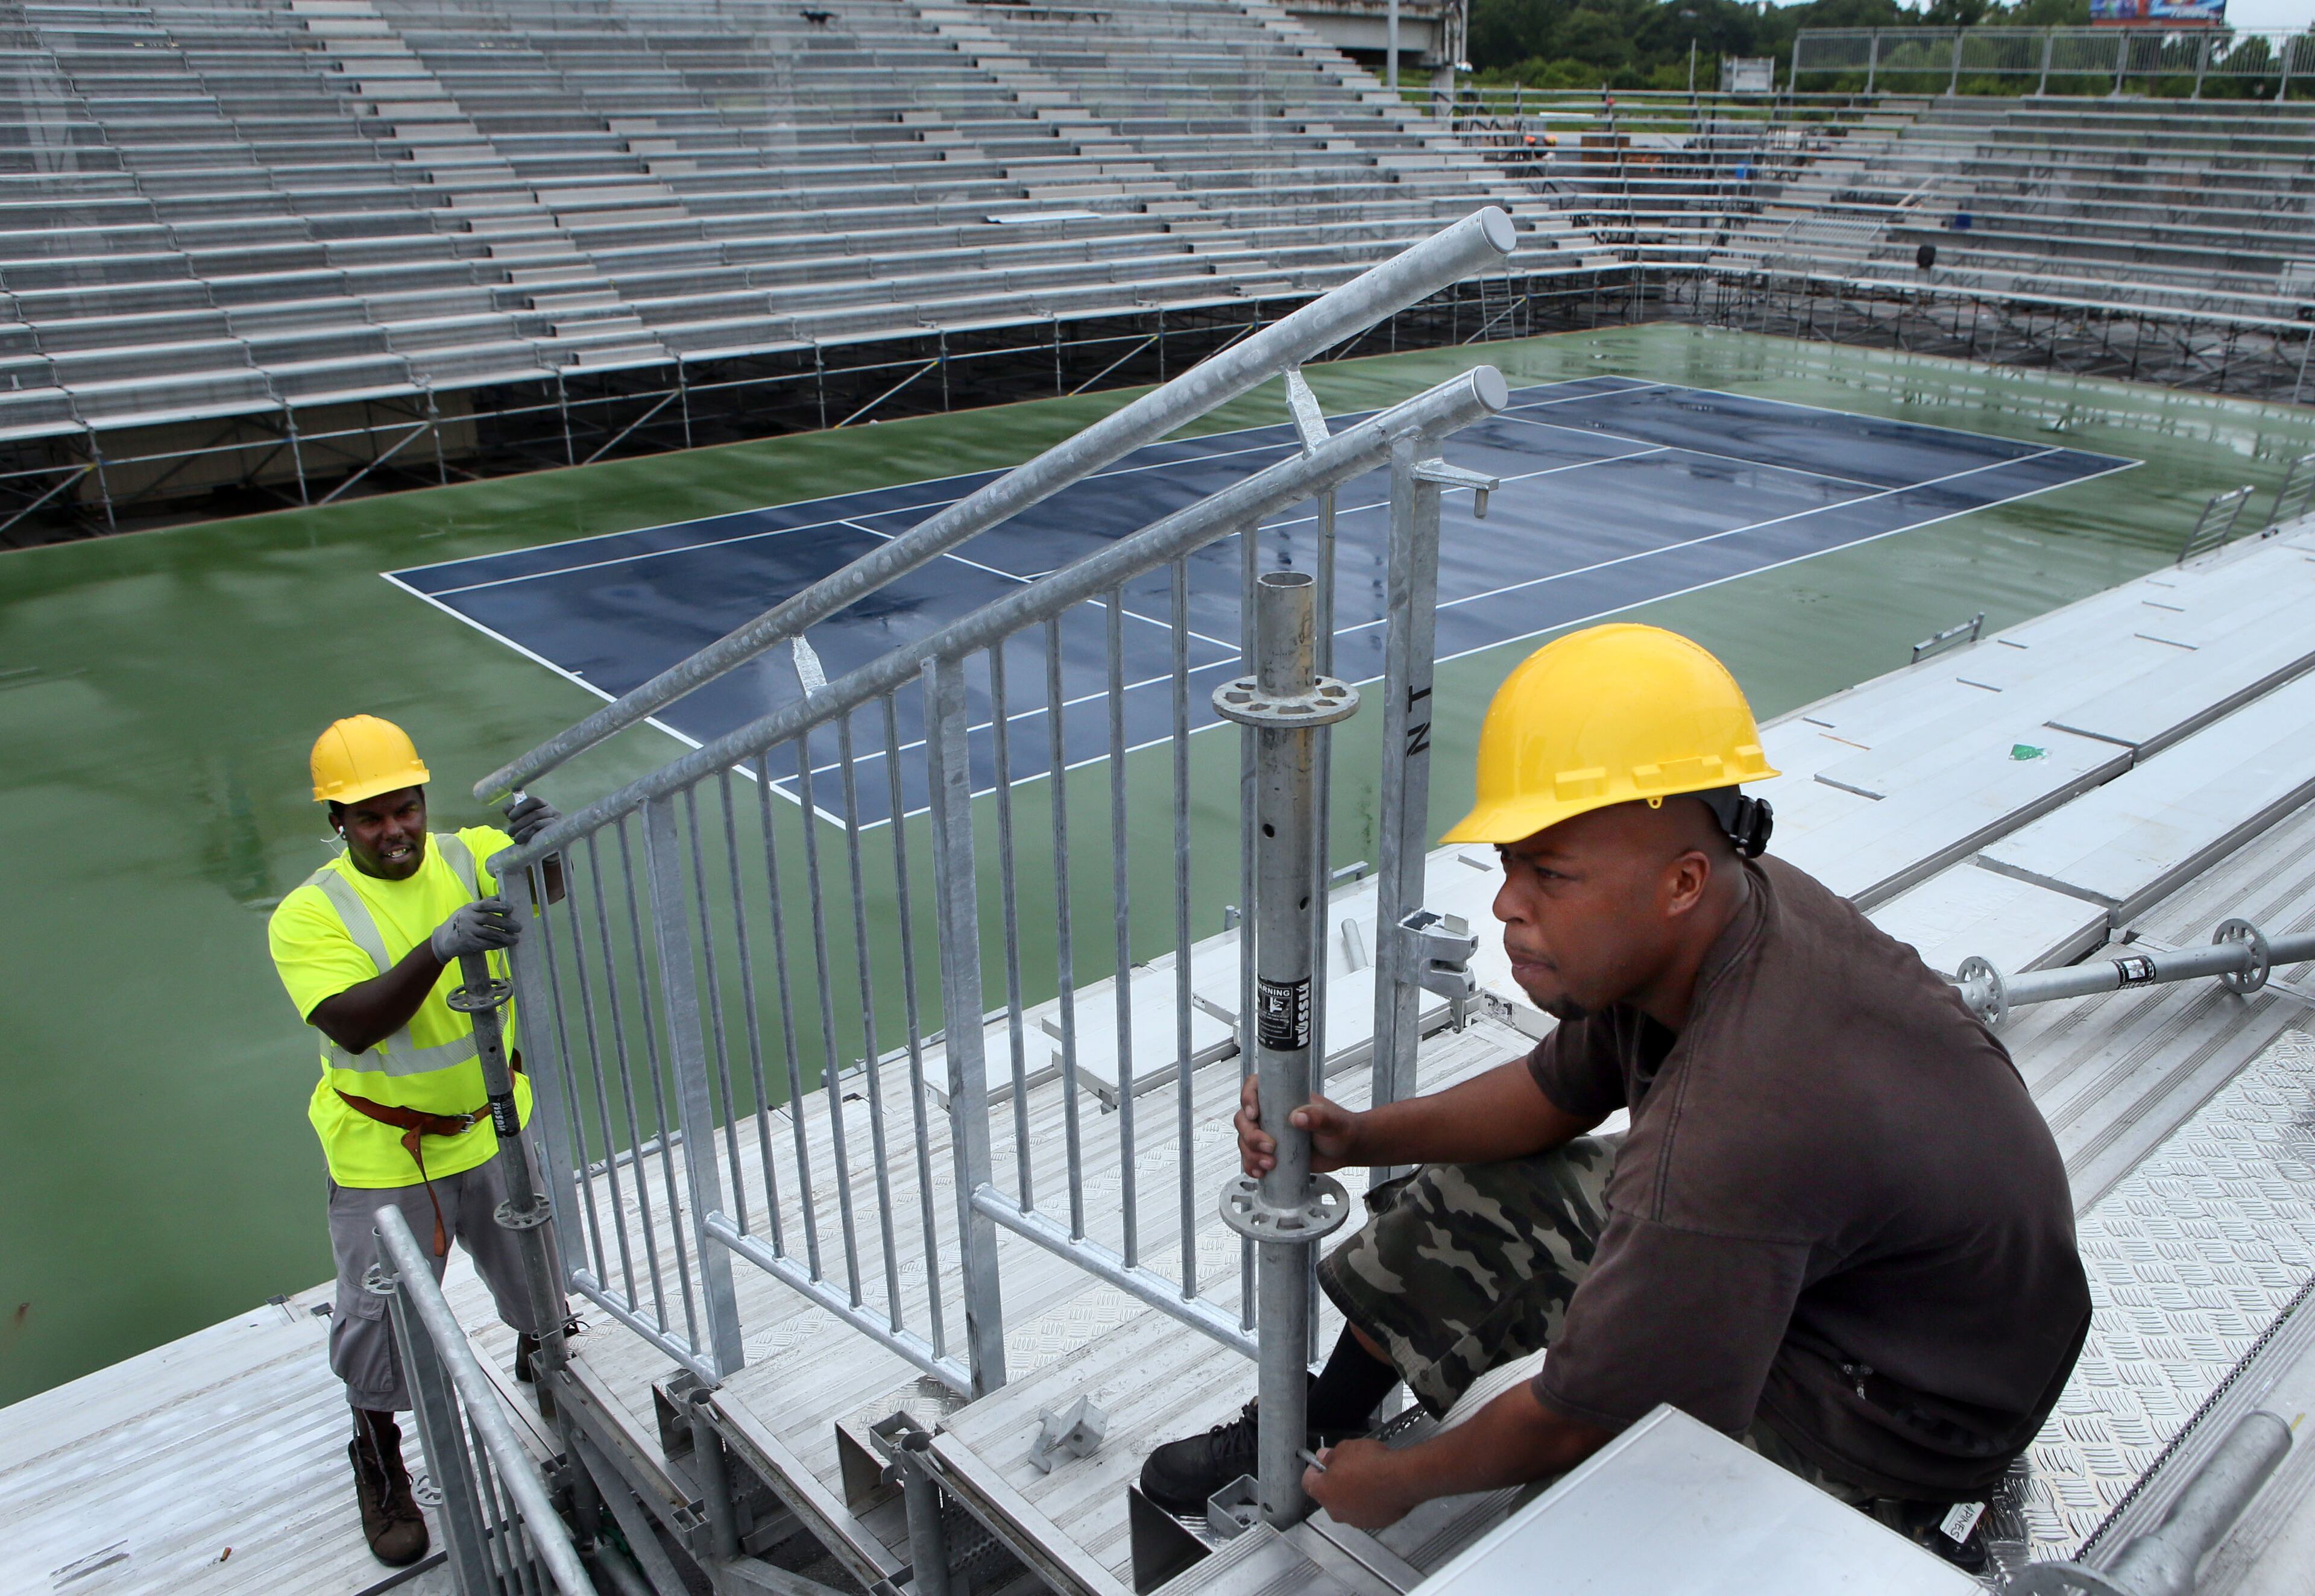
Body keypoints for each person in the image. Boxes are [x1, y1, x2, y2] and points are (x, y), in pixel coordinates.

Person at [1139, 624, 2090, 1568]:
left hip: (1903, 1404)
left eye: (1551, 875)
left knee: (1590, 1523)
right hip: (1834, 1274)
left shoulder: (1735, 1126)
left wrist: (1403, 1481)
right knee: (1482, 1196)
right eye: (1512, 861)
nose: (1509, 903)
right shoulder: (1717, 909)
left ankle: (1894, 1526)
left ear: (1680, 882)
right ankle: (1321, 1417)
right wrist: (1358, 1135)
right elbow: (1551, 1093)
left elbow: (1580, 1417)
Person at [266, 715, 564, 1566]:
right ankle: (379, 1455)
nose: (395, 830)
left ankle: (544, 1360)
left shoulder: (469, 853)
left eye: (405, 808)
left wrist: (551, 847)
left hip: (494, 1128)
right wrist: (438, 948)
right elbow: (354, 1025)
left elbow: (544, 889)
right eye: (370, 817)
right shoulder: (307, 915)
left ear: (423, 799)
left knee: (535, 1274)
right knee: (378, 1320)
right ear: (337, 824)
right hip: (385, 1156)